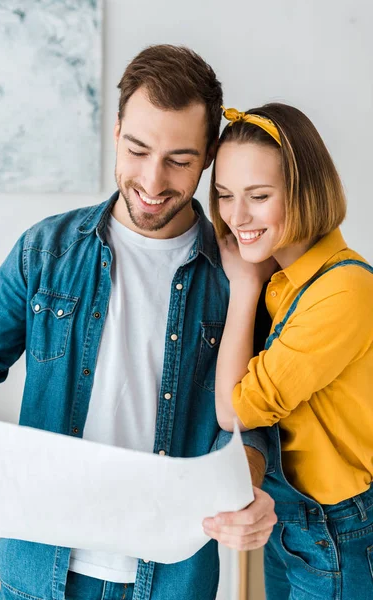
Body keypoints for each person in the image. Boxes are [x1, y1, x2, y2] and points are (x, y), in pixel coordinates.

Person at [0, 46, 276, 600]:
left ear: (209, 155)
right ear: (116, 131)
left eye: (179, 160)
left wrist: (250, 491)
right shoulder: (47, 251)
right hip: (38, 575)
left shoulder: (242, 280)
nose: (153, 180)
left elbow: (254, 421)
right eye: (138, 149)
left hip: (170, 580)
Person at [210, 102, 373, 599]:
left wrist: (243, 288)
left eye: (258, 196)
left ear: (305, 193)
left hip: (342, 533)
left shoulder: (343, 291)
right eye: (223, 195)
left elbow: (233, 408)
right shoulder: (281, 281)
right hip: (292, 525)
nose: (237, 217)